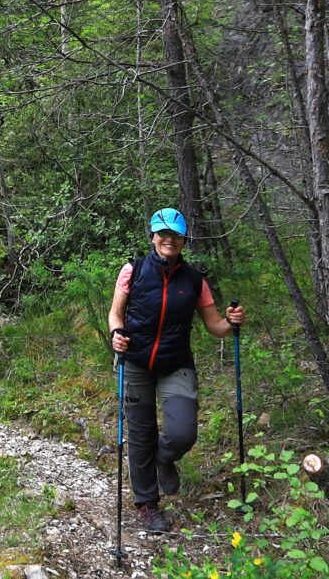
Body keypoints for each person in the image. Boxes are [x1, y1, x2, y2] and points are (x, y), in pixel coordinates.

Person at [108, 207, 246, 532]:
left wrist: (232, 323)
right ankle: (147, 505)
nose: (169, 239)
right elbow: (115, 314)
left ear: (183, 239)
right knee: (140, 435)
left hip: (176, 363)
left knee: (183, 432)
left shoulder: (195, 280)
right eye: (163, 233)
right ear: (153, 236)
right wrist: (117, 335)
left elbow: (215, 326)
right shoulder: (134, 270)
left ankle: (165, 458)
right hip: (136, 362)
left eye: (175, 234)